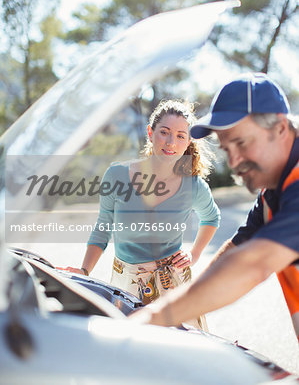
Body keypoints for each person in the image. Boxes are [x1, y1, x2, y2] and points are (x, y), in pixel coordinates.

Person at [129, 73, 299, 341]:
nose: (234, 162)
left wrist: (147, 321)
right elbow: (237, 251)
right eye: (226, 148)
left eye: (241, 143)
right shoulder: (275, 190)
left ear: (279, 128)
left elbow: (253, 264)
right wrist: (166, 309)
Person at [61, 99, 220, 327]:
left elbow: (211, 217)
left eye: (180, 136)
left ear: (188, 143)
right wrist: (84, 270)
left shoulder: (193, 186)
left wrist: (194, 255)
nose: (171, 142)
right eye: (164, 132)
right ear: (150, 132)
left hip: (174, 285)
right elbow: (103, 228)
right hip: (126, 284)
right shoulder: (117, 175)